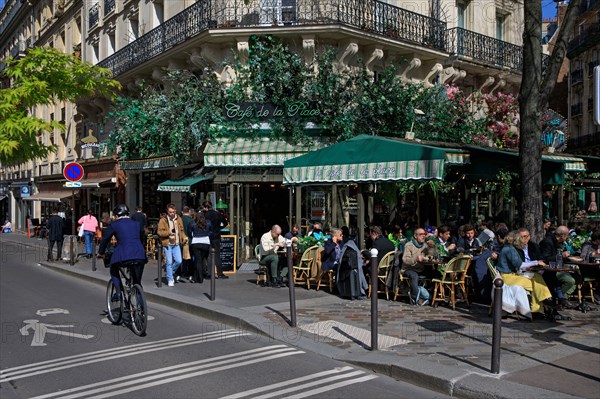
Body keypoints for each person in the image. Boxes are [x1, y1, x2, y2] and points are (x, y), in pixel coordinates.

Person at [495, 231, 553, 317]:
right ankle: (541, 305)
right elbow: (520, 265)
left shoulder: (509, 248)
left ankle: (543, 302)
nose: (522, 241)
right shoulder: (509, 250)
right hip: (508, 277)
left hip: (512, 275)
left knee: (537, 276)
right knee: (535, 284)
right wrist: (536, 262)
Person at [98, 204, 147, 292]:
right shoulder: (136, 224)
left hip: (123, 254)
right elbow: (142, 237)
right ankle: (139, 300)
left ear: (116, 215)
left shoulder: (114, 224)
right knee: (137, 282)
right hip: (140, 254)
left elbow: (105, 239)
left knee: (113, 267)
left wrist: (100, 252)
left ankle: (119, 292)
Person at [539, 225, 577, 310]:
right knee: (554, 279)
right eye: (567, 235)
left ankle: (560, 300)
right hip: (543, 270)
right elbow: (545, 258)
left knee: (559, 278)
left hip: (552, 269)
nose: (567, 238)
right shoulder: (548, 242)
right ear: (562, 236)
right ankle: (558, 301)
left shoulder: (556, 242)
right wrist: (561, 255)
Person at [400, 228, 434, 305]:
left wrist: (431, 247)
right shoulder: (408, 245)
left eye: (424, 234)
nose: (423, 236)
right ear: (415, 236)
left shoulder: (425, 245)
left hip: (421, 268)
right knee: (414, 276)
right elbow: (405, 260)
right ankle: (415, 297)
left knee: (436, 273)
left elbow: (431, 255)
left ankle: (433, 297)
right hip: (408, 268)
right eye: (421, 234)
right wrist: (416, 258)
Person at [157, 203, 188, 287]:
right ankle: (170, 279)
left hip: (177, 243)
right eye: (170, 212)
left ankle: (169, 273)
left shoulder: (179, 219)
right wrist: (168, 233)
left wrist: (184, 237)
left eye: (174, 212)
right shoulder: (163, 220)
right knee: (169, 262)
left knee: (179, 261)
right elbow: (159, 232)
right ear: (167, 212)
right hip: (167, 243)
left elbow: (181, 230)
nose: (172, 213)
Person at [202, 200, 228, 279]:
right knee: (217, 255)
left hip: (208, 236)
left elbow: (203, 225)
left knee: (209, 255)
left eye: (204, 207)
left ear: (206, 207)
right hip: (216, 236)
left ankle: (210, 273)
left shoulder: (205, 215)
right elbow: (225, 223)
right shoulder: (218, 214)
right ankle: (220, 273)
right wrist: (219, 228)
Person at [188, 212, 212, 283]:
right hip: (206, 243)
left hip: (196, 242)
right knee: (201, 260)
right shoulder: (208, 222)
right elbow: (211, 231)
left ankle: (199, 278)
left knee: (198, 261)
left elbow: (189, 232)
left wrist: (193, 236)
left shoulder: (192, 223)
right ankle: (197, 277)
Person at [179, 206, 194, 280]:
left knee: (182, 257)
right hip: (190, 240)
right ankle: (190, 272)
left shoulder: (180, 220)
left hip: (181, 240)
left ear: (182, 212)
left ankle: (183, 272)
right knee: (189, 257)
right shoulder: (191, 220)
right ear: (189, 212)